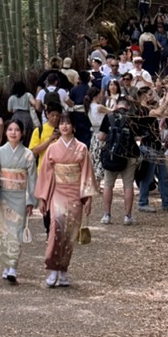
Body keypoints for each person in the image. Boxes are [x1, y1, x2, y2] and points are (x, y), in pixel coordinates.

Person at [35, 112, 96, 288]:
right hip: (58, 192)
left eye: (68, 123)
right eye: (61, 123)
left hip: (75, 193)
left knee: (70, 233)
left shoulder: (82, 148)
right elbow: (46, 174)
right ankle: (52, 268)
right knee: (56, 229)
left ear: (73, 127)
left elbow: (86, 174)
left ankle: (63, 271)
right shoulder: (53, 148)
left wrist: (88, 198)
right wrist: (43, 197)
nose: (64, 126)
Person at [0, 118, 37, 283]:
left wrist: (30, 201)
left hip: (19, 197)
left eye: (17, 130)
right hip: (3, 197)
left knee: (16, 233)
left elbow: (32, 179)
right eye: (10, 129)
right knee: (3, 232)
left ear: (22, 133)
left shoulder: (28, 154)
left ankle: (12, 267)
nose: (13, 133)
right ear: (5, 133)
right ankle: (5, 266)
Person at [98, 95, 141, 225]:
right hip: (129, 156)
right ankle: (127, 216)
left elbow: (101, 136)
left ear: (117, 105)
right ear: (127, 106)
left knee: (108, 185)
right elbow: (138, 137)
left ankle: (106, 215)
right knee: (128, 186)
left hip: (111, 156)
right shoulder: (132, 118)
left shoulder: (109, 117)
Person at [6, 79, 39, 144]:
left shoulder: (11, 98)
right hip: (26, 116)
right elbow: (34, 103)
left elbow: (9, 110)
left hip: (16, 116)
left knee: (15, 132)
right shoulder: (28, 95)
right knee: (27, 134)